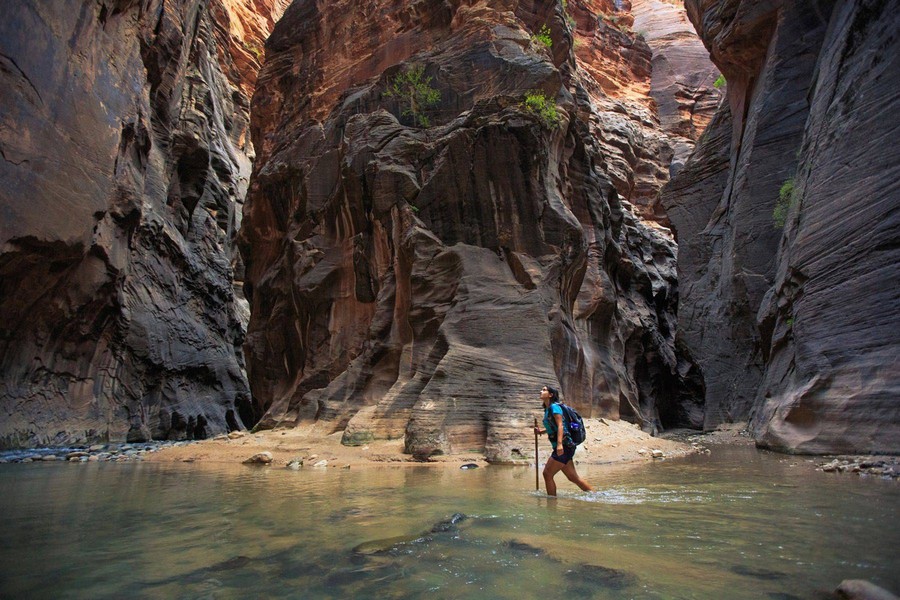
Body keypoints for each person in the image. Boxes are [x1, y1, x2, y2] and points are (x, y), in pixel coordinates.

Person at [533, 385, 593, 496]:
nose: (541, 391)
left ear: (551, 395)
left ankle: (551, 505)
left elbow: (560, 425)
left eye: (544, 390)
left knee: (547, 474)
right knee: (573, 478)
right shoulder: (548, 409)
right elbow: (554, 427)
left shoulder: (554, 407)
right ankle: (594, 495)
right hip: (565, 447)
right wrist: (541, 431)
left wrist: (559, 444)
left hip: (564, 446)